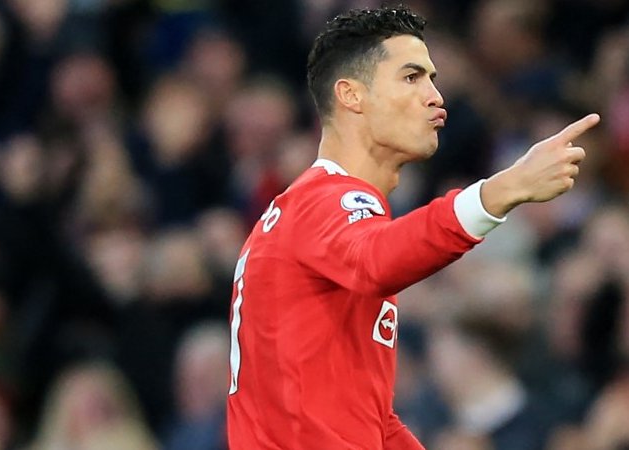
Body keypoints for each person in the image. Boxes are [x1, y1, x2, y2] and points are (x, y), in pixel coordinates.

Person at [225, 5, 599, 450]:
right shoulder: (327, 202)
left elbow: (372, 422)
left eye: (433, 79)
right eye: (411, 77)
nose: (435, 97)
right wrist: (504, 189)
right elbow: (377, 260)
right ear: (352, 96)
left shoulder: (311, 215)